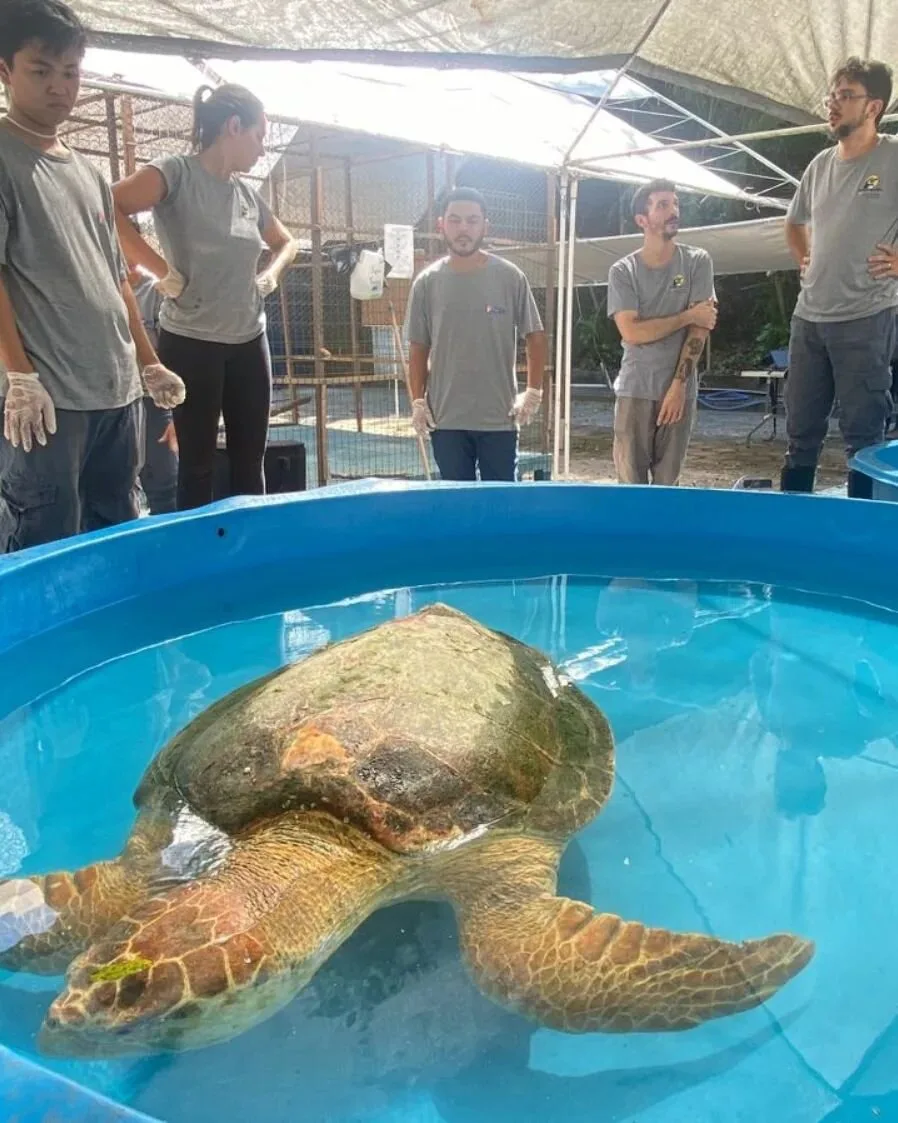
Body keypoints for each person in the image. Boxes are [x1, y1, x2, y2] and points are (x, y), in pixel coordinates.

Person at [0, 0, 185, 553]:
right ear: (5, 70)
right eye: (41, 70)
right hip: (50, 401)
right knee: (44, 543)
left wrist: (148, 362)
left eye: (71, 72)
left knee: (116, 536)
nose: (60, 86)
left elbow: (117, 279)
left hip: (116, 392)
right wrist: (20, 378)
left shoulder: (86, 171)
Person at [112, 83, 297, 510]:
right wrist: (162, 270)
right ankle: (199, 562)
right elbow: (108, 206)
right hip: (191, 340)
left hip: (250, 340)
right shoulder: (175, 173)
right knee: (196, 464)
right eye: (259, 136)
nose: (262, 149)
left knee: (251, 463)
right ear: (234, 126)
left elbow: (287, 242)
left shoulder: (248, 195)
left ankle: (250, 555)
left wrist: (269, 275)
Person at [782, 57, 898, 498]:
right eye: (832, 95)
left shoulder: (893, 155)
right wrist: (805, 258)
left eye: (845, 96)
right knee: (799, 436)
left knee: (863, 438)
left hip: (867, 316)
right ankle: (789, 528)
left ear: (873, 107)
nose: (832, 104)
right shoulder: (820, 164)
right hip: (808, 319)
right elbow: (794, 223)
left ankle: (860, 539)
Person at [404, 187, 547, 482]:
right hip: (445, 419)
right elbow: (418, 348)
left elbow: (535, 334)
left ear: (485, 226)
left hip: (499, 417)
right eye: (455, 220)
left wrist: (533, 391)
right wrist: (418, 401)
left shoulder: (509, 277)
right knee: (456, 505)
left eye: (472, 220)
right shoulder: (427, 283)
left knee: (502, 503)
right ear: (441, 225)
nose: (463, 228)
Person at [607, 178, 717, 486]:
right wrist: (686, 315)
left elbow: (702, 327)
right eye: (662, 205)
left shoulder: (697, 261)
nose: (673, 212)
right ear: (642, 220)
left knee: (669, 485)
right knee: (630, 486)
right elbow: (632, 332)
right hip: (635, 388)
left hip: (679, 390)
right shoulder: (623, 271)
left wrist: (678, 386)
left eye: (676, 204)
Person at [127, 252, 178, 515]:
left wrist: (177, 417)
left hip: (154, 400)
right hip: (120, 400)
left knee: (164, 484)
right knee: (120, 487)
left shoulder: (156, 291)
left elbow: (174, 354)